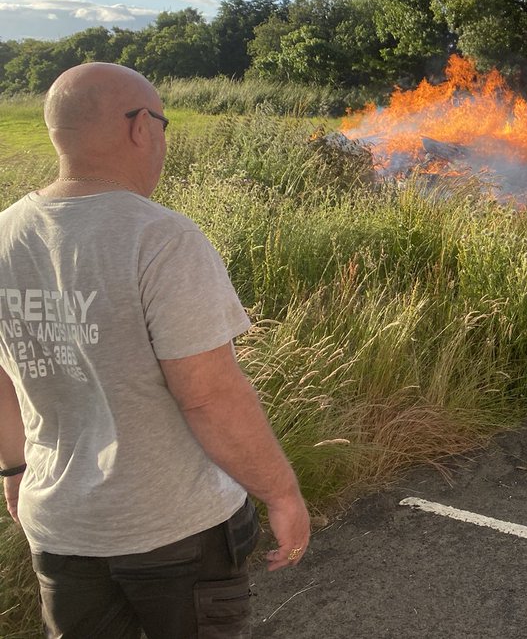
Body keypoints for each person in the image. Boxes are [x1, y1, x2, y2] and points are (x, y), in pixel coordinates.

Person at [0, 62, 310, 638]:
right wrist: (281, 493)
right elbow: (208, 396)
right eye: (162, 123)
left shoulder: (4, 234)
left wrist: (15, 469)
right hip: (174, 531)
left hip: (61, 525)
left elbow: (2, 380)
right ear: (141, 126)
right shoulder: (161, 237)